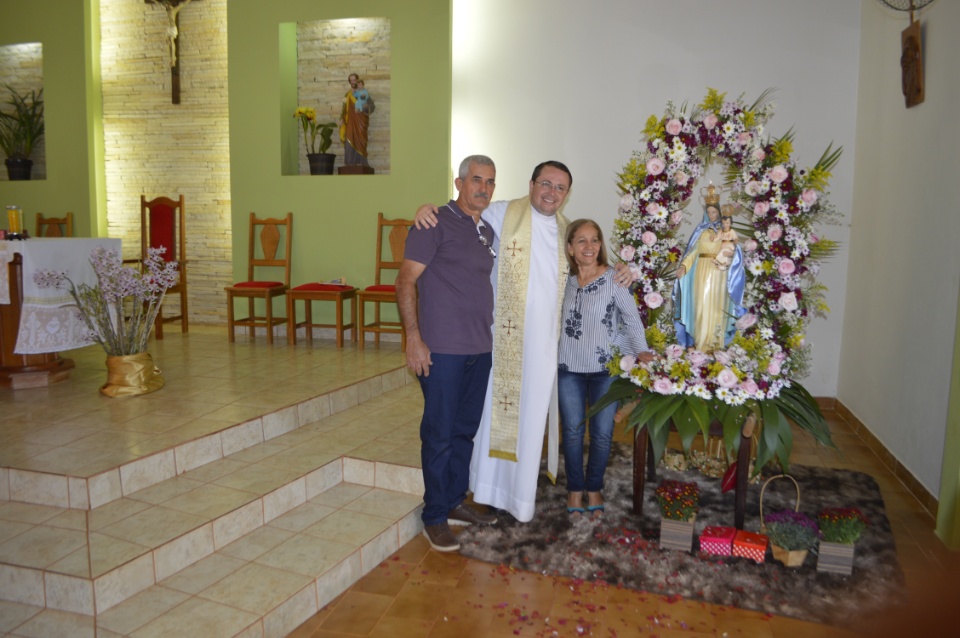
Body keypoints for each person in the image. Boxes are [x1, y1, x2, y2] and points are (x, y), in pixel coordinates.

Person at [396, 155, 499, 552]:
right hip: (442, 350)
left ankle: (455, 500)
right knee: (439, 433)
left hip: (479, 347)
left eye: (490, 182)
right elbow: (405, 282)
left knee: (463, 431)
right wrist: (413, 338)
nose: (483, 188)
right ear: (459, 182)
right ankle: (435, 515)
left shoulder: (485, 230)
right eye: (476, 180)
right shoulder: (433, 221)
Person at [559, 219, 654, 518]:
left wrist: (642, 353)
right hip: (568, 368)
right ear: (571, 248)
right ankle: (575, 489)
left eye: (595, 240)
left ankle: (594, 487)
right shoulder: (564, 280)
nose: (590, 246)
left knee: (601, 434)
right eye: (582, 241)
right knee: (573, 434)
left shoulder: (615, 278)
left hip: (605, 370)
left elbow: (632, 318)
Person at [672, 185, 746, 352]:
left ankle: (714, 346)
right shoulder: (701, 231)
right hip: (701, 272)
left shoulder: (725, 231)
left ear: (719, 212)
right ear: (706, 213)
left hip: (719, 273)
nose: (712, 215)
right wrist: (683, 267)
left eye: (715, 212)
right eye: (709, 212)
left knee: (717, 308)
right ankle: (699, 343)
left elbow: (733, 251)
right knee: (700, 307)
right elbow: (693, 253)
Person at [339, 73, 373, 166]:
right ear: (349, 82)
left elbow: (371, 106)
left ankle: (362, 163)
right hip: (350, 122)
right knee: (349, 141)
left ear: (358, 80)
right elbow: (344, 108)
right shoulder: (347, 95)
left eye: (354, 80)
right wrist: (342, 119)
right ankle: (350, 164)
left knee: (361, 141)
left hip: (361, 121)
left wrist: (366, 107)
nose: (353, 82)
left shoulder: (364, 92)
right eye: (351, 80)